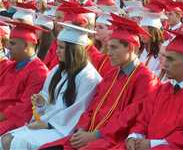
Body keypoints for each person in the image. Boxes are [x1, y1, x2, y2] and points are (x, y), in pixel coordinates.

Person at [39, 14, 160, 150]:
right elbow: (92, 105)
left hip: (113, 139)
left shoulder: (146, 79)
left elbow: (130, 116)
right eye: (108, 47)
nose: (109, 53)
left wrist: (97, 135)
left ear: (131, 48)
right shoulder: (111, 75)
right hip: (90, 134)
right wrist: (81, 129)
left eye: (114, 48)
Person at [0, 23, 102, 150]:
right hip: (48, 123)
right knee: (5, 139)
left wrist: (47, 123)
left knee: (16, 141)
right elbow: (46, 96)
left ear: (74, 50)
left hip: (62, 130)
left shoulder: (89, 77)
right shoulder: (59, 69)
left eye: (61, 48)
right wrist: (41, 101)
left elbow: (78, 111)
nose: (57, 51)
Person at [114, 31, 183, 150]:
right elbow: (143, 118)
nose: (163, 65)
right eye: (164, 58)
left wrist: (152, 144)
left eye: (170, 60)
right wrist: (134, 137)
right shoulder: (163, 89)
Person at [0, 21, 48, 135]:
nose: (8, 47)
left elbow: (24, 107)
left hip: (13, 121)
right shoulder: (11, 66)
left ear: (25, 45)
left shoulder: (39, 72)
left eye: (12, 43)